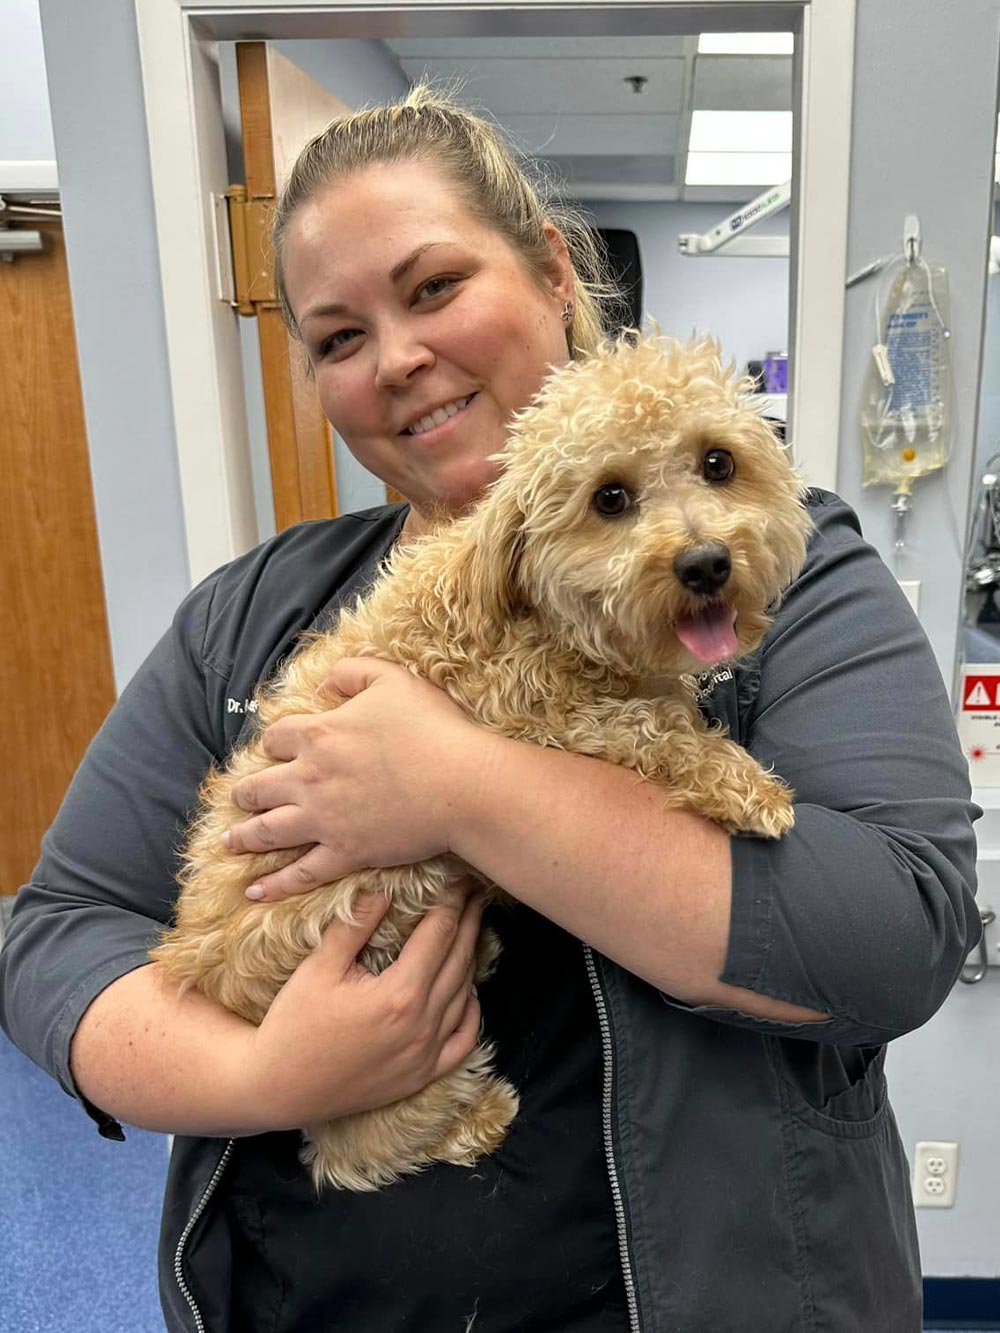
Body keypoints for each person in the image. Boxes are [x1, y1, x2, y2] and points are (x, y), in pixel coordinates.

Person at [0, 85, 981, 1333]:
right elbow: (57, 934)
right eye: (338, 339)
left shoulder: (783, 577)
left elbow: (895, 937)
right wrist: (266, 1072)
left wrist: (453, 786)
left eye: (433, 287)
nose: (397, 358)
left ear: (552, 271)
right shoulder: (245, 616)